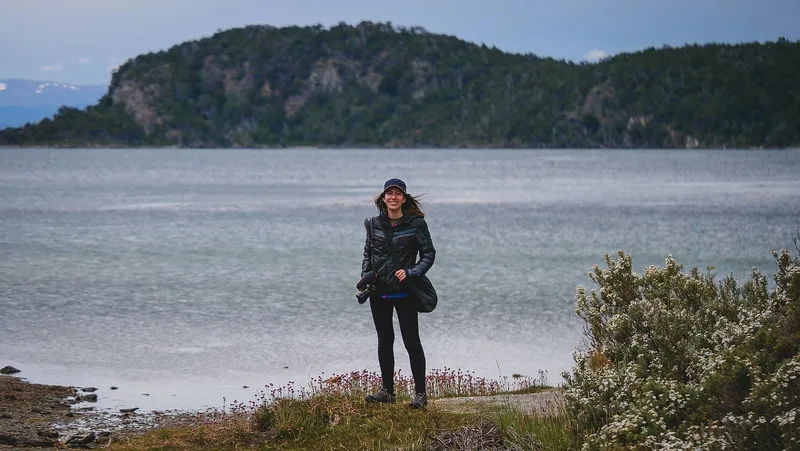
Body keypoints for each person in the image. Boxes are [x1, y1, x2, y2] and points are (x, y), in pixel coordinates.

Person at [360, 178, 436, 409]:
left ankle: (421, 395)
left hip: (405, 294)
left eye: (398, 194)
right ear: (383, 198)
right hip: (379, 293)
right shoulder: (372, 224)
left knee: (412, 343)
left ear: (404, 198)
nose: (393, 197)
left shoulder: (416, 224)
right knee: (385, 342)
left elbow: (429, 254)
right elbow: (367, 253)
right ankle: (387, 392)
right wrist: (366, 276)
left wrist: (412, 272)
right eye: (389, 193)